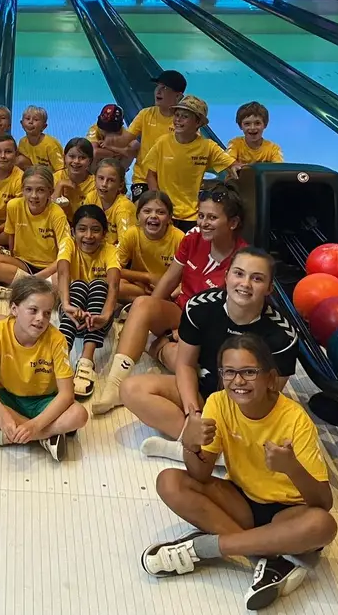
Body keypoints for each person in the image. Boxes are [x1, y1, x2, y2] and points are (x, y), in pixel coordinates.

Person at [142, 335, 335, 610]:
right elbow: (200, 475)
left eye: (249, 372)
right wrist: (190, 444)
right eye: (229, 372)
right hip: (241, 499)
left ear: (270, 378)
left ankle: (205, 547)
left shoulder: (295, 419)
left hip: (289, 512)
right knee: (169, 481)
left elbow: (323, 503)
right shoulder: (219, 403)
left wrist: (292, 468)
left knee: (323, 525)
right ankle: (266, 560)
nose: (238, 381)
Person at [125, 248, 298, 462]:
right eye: (239, 273)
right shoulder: (200, 307)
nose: (245, 283)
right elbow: (186, 365)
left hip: (244, 403)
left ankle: (214, 451)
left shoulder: (283, 335)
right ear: (226, 276)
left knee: (289, 438)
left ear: (269, 288)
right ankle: (197, 446)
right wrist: (193, 414)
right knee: (131, 389)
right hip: (202, 389)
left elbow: (269, 396)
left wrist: (234, 422)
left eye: (257, 278)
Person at [92, 188, 247, 414]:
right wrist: (146, 317)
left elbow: (232, 318)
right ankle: (114, 386)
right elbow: (169, 279)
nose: (203, 223)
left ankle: (159, 347)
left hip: (210, 332)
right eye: (201, 215)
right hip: (181, 312)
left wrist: (183, 332)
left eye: (212, 217)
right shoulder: (192, 239)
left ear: (232, 223)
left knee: (191, 367)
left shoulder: (244, 259)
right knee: (143, 305)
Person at [0, 276, 89, 460]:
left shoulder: (56, 340)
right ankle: (45, 436)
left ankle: (6, 437)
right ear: (14, 309)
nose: (40, 319)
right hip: (9, 396)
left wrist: (34, 426)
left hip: (44, 401)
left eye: (47, 313)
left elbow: (66, 394)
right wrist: (3, 416)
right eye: (33, 310)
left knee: (79, 415)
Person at [141, 95, 235, 231]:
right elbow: (151, 175)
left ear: (197, 123)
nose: (178, 119)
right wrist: (158, 204)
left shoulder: (207, 146)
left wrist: (237, 172)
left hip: (194, 215)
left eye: (184, 116)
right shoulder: (162, 142)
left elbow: (232, 165)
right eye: (177, 115)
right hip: (166, 212)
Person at [0, 164, 73, 295]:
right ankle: (33, 288)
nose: (34, 196)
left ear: (50, 192)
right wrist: (12, 261)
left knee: (64, 280)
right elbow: (11, 237)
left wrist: (39, 276)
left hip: (50, 268)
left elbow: (65, 255)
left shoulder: (57, 214)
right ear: (22, 190)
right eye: (28, 190)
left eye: (40, 190)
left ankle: (16, 289)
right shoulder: (14, 205)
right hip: (23, 265)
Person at [60, 204, 121, 399]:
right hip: (73, 314)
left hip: (97, 320)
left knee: (99, 285)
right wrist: (67, 305)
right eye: (82, 229)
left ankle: (86, 361)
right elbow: (62, 273)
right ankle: (59, 356)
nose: (88, 236)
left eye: (95, 230)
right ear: (73, 230)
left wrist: (105, 315)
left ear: (104, 233)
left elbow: (113, 284)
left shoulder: (110, 250)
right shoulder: (68, 244)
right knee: (77, 284)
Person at [113, 190, 185, 303]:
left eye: (161, 212)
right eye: (147, 211)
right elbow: (114, 269)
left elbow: (188, 277)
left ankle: (153, 301)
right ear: (138, 216)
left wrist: (167, 289)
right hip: (142, 286)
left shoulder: (180, 238)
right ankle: (155, 301)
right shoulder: (132, 234)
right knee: (116, 285)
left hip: (170, 289)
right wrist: (147, 277)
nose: (153, 216)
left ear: (170, 217)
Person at [124, 70, 187, 197]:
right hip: (143, 180)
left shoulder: (185, 121)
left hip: (172, 182)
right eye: (157, 86)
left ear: (178, 96)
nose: (158, 91)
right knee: (144, 211)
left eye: (164, 88)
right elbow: (124, 140)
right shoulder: (145, 114)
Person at [87, 158, 136, 246]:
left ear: (120, 185)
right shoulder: (91, 197)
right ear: (95, 179)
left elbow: (126, 247)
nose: (104, 184)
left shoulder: (124, 208)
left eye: (111, 180)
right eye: (101, 178)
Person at [227, 100, 284, 177]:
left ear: (265, 125)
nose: (252, 128)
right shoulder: (235, 144)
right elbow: (227, 161)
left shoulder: (273, 149)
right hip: (237, 185)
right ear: (240, 126)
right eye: (247, 124)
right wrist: (233, 165)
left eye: (257, 123)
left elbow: (279, 170)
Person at [55, 137, 95, 220]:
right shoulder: (57, 177)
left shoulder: (95, 184)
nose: (76, 161)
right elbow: (48, 208)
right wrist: (59, 185)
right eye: (72, 156)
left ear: (90, 161)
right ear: (64, 157)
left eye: (82, 157)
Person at [14, 105, 64, 172]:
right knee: (19, 160)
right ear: (21, 124)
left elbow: (60, 169)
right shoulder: (22, 142)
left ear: (44, 126)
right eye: (28, 119)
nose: (31, 122)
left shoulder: (50, 145)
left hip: (50, 177)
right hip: (35, 174)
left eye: (36, 119)